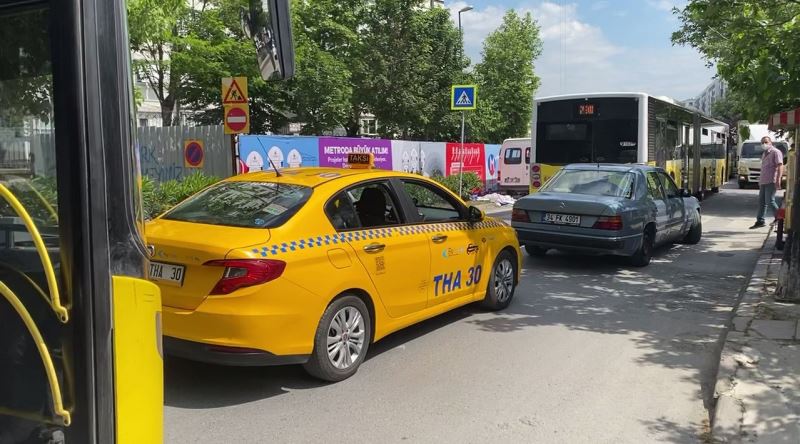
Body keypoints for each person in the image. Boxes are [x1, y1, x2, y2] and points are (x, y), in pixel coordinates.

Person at [750, 136, 784, 229]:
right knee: (762, 202)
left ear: (770, 142)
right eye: (762, 143)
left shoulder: (775, 152)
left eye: (765, 142)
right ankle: (760, 221)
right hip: (763, 181)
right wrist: (760, 180)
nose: (764, 144)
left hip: (771, 180)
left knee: (770, 201)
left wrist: (778, 179)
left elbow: (780, 165)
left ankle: (779, 218)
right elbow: (764, 168)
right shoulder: (765, 153)